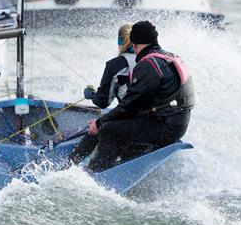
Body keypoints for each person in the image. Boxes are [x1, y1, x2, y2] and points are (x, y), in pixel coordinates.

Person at [69, 20, 194, 172]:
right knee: (111, 123)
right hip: (176, 125)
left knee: (108, 129)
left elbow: (130, 105)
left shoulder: (149, 64)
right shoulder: (167, 57)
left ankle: (97, 174)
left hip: (165, 128)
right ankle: (73, 165)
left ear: (134, 45)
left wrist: (99, 123)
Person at [82, 23, 136, 109]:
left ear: (119, 41)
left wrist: (92, 95)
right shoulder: (154, 58)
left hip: (133, 116)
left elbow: (103, 102)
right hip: (159, 114)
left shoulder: (114, 65)